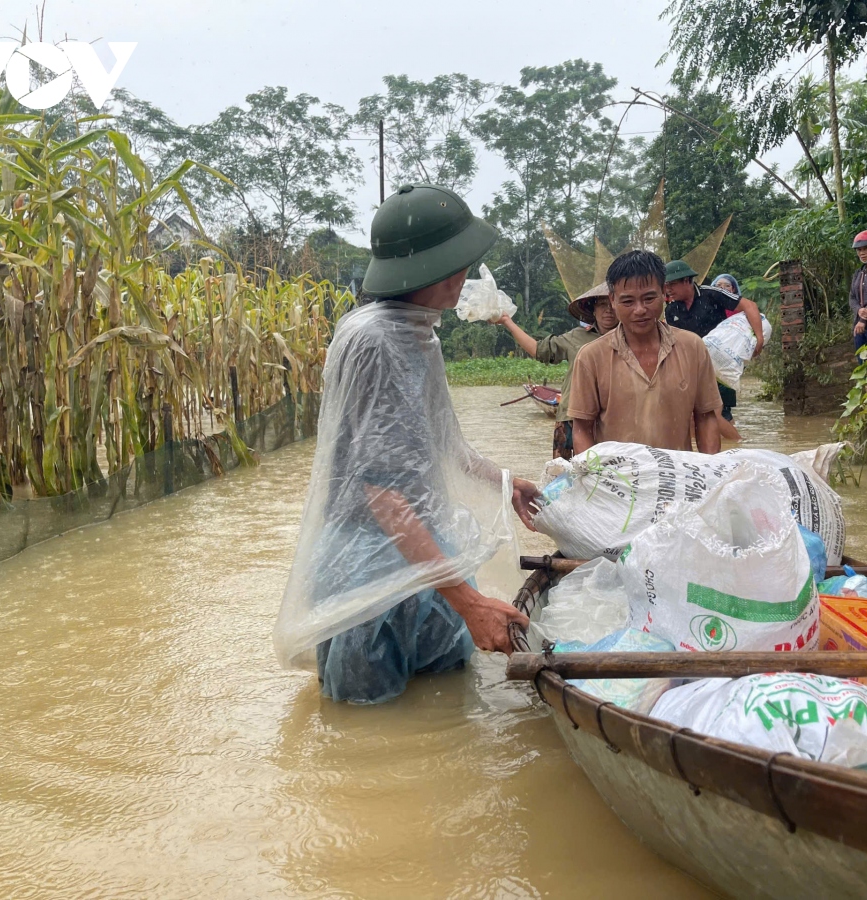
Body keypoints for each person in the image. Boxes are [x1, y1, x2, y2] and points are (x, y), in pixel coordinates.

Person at [273, 183, 539, 704]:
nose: (464, 275)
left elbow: (445, 446)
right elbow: (381, 491)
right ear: (429, 268)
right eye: (457, 262)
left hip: (426, 553)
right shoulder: (375, 340)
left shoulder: (420, 334)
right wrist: (468, 602)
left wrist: (506, 483)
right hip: (369, 565)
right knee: (364, 738)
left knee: (443, 710)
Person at [568, 250, 723, 454]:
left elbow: (706, 419)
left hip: (677, 479)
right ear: (613, 300)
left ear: (663, 294)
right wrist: (595, 478)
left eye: (649, 298)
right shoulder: (591, 357)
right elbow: (582, 429)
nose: (640, 310)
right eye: (628, 301)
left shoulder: (692, 347)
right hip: (617, 479)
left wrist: (709, 475)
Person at [492, 281, 617, 459]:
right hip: (570, 416)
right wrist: (507, 321)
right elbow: (538, 350)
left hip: (610, 419)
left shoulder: (630, 339)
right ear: (593, 310)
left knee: (606, 474)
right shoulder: (576, 337)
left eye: (612, 304)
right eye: (602, 305)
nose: (608, 310)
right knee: (561, 474)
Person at [663, 260, 763, 424]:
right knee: (693, 416)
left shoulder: (712, 294)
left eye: (672, 284)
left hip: (721, 366)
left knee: (722, 414)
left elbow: (749, 306)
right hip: (692, 369)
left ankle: (733, 445)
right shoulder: (671, 309)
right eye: (666, 285)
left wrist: (759, 338)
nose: (668, 290)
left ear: (687, 281)